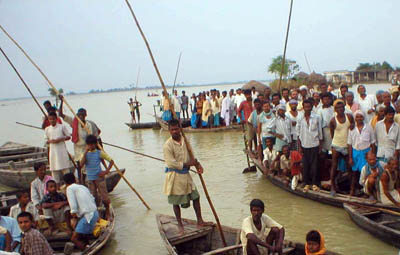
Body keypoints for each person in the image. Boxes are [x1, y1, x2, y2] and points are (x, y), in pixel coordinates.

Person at [163, 119, 212, 235]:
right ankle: (180, 226)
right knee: (176, 202)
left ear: (180, 128)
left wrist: (197, 164)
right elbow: (171, 163)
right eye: (172, 129)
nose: (175, 131)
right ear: (169, 131)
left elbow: (191, 155)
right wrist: (188, 164)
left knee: (196, 196)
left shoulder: (185, 140)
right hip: (174, 176)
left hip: (186, 174)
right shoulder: (167, 145)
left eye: (177, 129)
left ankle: (200, 221)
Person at [59, 96, 101, 176]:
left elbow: (94, 138)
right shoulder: (74, 122)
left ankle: (88, 179)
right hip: (78, 149)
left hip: (87, 148)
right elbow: (60, 114)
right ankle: (81, 181)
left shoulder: (89, 125)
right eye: (79, 115)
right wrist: (61, 101)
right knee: (79, 167)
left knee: (86, 167)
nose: (81, 116)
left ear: (85, 115)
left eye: (82, 115)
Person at [80, 135, 114, 220]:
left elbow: (111, 161)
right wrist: (85, 153)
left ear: (95, 144)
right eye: (89, 145)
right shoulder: (85, 154)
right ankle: (96, 214)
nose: (91, 146)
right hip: (90, 179)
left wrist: (106, 171)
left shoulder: (99, 153)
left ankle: (107, 213)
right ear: (87, 145)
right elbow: (80, 165)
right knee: (93, 197)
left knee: (105, 197)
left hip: (99, 178)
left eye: (92, 144)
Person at [64, 173, 99, 251]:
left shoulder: (69, 188)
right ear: (75, 179)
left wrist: (74, 220)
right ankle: (87, 246)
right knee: (83, 235)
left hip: (88, 216)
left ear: (65, 183)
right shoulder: (82, 187)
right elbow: (92, 199)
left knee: (74, 238)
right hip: (95, 213)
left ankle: (87, 251)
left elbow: (73, 208)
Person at [296, 99, 323, 192]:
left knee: (314, 166)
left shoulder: (317, 117)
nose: (307, 108)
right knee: (305, 165)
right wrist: (299, 147)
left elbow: (320, 132)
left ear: (311, 107)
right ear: (303, 107)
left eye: (309, 107)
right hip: (304, 145)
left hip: (314, 144)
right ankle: (306, 183)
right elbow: (298, 133)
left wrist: (320, 145)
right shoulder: (300, 118)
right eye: (305, 107)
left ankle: (315, 183)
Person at [347, 110, 376, 196]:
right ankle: (352, 190)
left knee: (366, 173)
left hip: (366, 153)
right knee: (354, 173)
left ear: (363, 117)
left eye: (361, 116)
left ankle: (368, 192)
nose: (359, 118)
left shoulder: (369, 127)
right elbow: (349, 144)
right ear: (355, 118)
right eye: (357, 116)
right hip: (355, 152)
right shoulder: (351, 129)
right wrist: (350, 157)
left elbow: (373, 142)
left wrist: (373, 155)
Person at [329, 100, 354, 196]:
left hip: (347, 146)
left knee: (350, 168)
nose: (340, 109)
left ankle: (352, 189)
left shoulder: (349, 117)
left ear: (344, 108)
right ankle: (332, 187)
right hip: (336, 145)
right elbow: (332, 134)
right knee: (334, 166)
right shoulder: (333, 120)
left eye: (341, 107)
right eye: (337, 108)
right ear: (335, 110)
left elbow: (352, 127)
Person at [44, 111, 72, 187]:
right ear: (48, 120)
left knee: (66, 171)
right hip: (53, 152)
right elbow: (46, 140)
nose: (52, 121)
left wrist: (60, 139)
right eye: (50, 119)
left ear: (56, 119)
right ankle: (57, 188)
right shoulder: (47, 129)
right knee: (54, 172)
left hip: (61, 152)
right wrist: (51, 141)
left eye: (53, 119)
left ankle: (69, 186)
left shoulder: (62, 127)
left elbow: (68, 136)